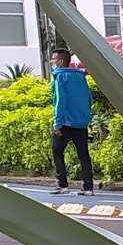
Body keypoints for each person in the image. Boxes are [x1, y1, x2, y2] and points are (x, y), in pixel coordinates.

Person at [49, 46, 94, 194]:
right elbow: (88, 98)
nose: (52, 62)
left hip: (65, 123)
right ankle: (88, 188)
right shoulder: (80, 76)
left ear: (61, 61)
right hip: (81, 122)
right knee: (84, 155)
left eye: (54, 59)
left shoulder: (58, 77)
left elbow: (59, 101)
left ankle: (63, 185)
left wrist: (57, 123)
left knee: (57, 151)